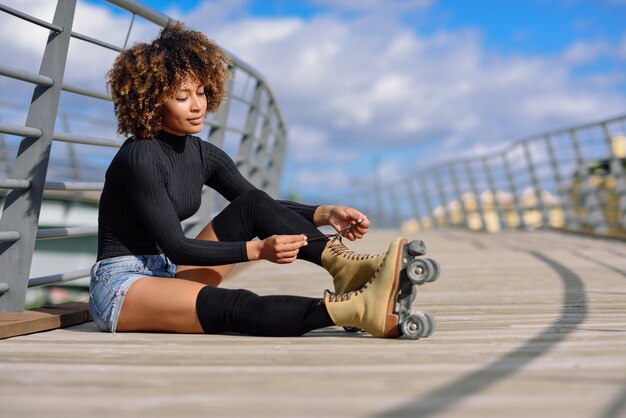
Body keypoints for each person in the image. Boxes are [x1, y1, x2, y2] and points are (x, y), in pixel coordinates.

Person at [89, 20, 409, 338]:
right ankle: (360, 308)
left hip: (168, 273)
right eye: (183, 97)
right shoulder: (140, 157)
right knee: (232, 305)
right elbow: (177, 246)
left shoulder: (203, 154)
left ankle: (345, 268)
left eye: (201, 92)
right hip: (122, 287)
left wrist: (323, 213)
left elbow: (261, 206)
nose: (198, 105)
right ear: (152, 100)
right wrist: (257, 250)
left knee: (252, 203)